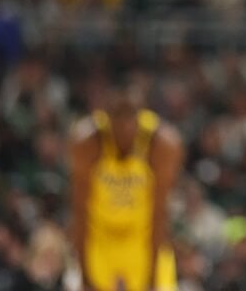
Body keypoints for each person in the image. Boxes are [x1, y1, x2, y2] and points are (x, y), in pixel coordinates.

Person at [68, 80, 183, 291]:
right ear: (105, 117)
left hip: (142, 241)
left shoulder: (162, 144)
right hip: (101, 241)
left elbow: (160, 213)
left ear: (142, 115)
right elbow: (79, 210)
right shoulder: (87, 142)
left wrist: (153, 278)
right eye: (117, 116)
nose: (124, 125)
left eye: (130, 116)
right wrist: (83, 273)